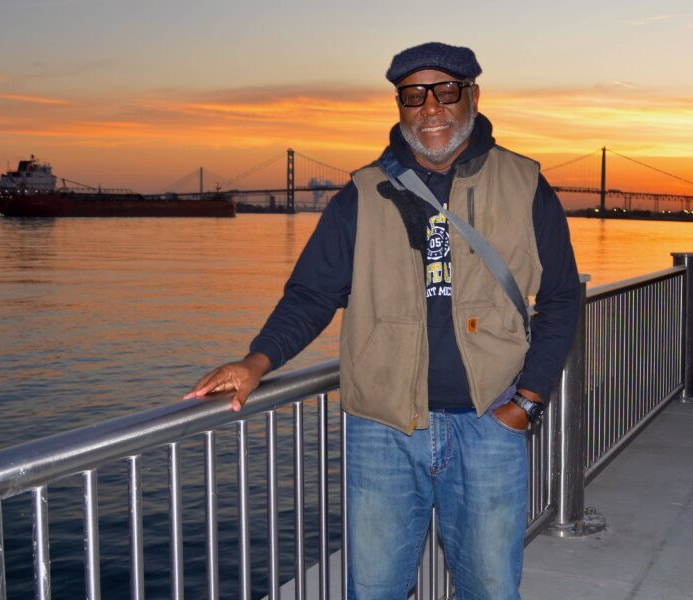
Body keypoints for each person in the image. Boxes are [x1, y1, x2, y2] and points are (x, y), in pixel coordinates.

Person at [185, 41, 581, 600]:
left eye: (446, 91)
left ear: (473, 96)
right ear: (399, 105)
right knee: (373, 589)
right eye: (413, 95)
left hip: (489, 423)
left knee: (491, 589)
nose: (431, 108)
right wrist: (257, 361)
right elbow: (310, 295)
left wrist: (528, 402)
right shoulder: (361, 194)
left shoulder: (525, 184)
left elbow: (561, 299)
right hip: (382, 430)